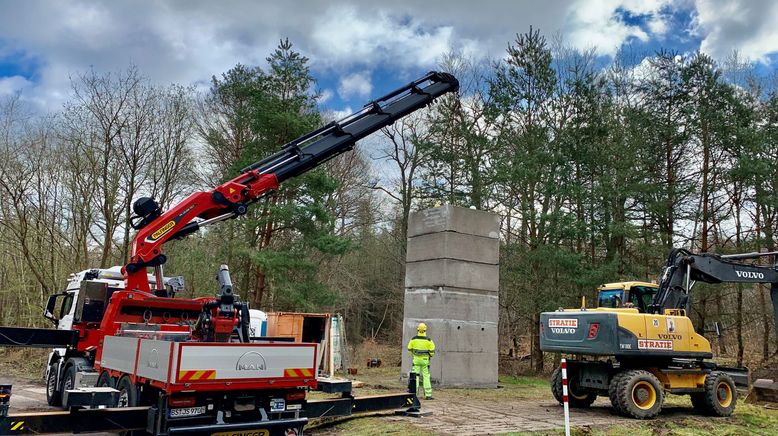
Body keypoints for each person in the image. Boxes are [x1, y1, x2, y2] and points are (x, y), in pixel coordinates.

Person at [407, 322, 435, 400]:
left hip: (416, 360)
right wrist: (429, 355)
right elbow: (432, 352)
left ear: (418, 329)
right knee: (426, 376)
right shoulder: (429, 340)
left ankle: (414, 393)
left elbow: (409, 350)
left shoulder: (413, 339)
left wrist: (415, 355)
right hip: (425, 360)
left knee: (415, 377)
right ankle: (428, 395)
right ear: (425, 330)